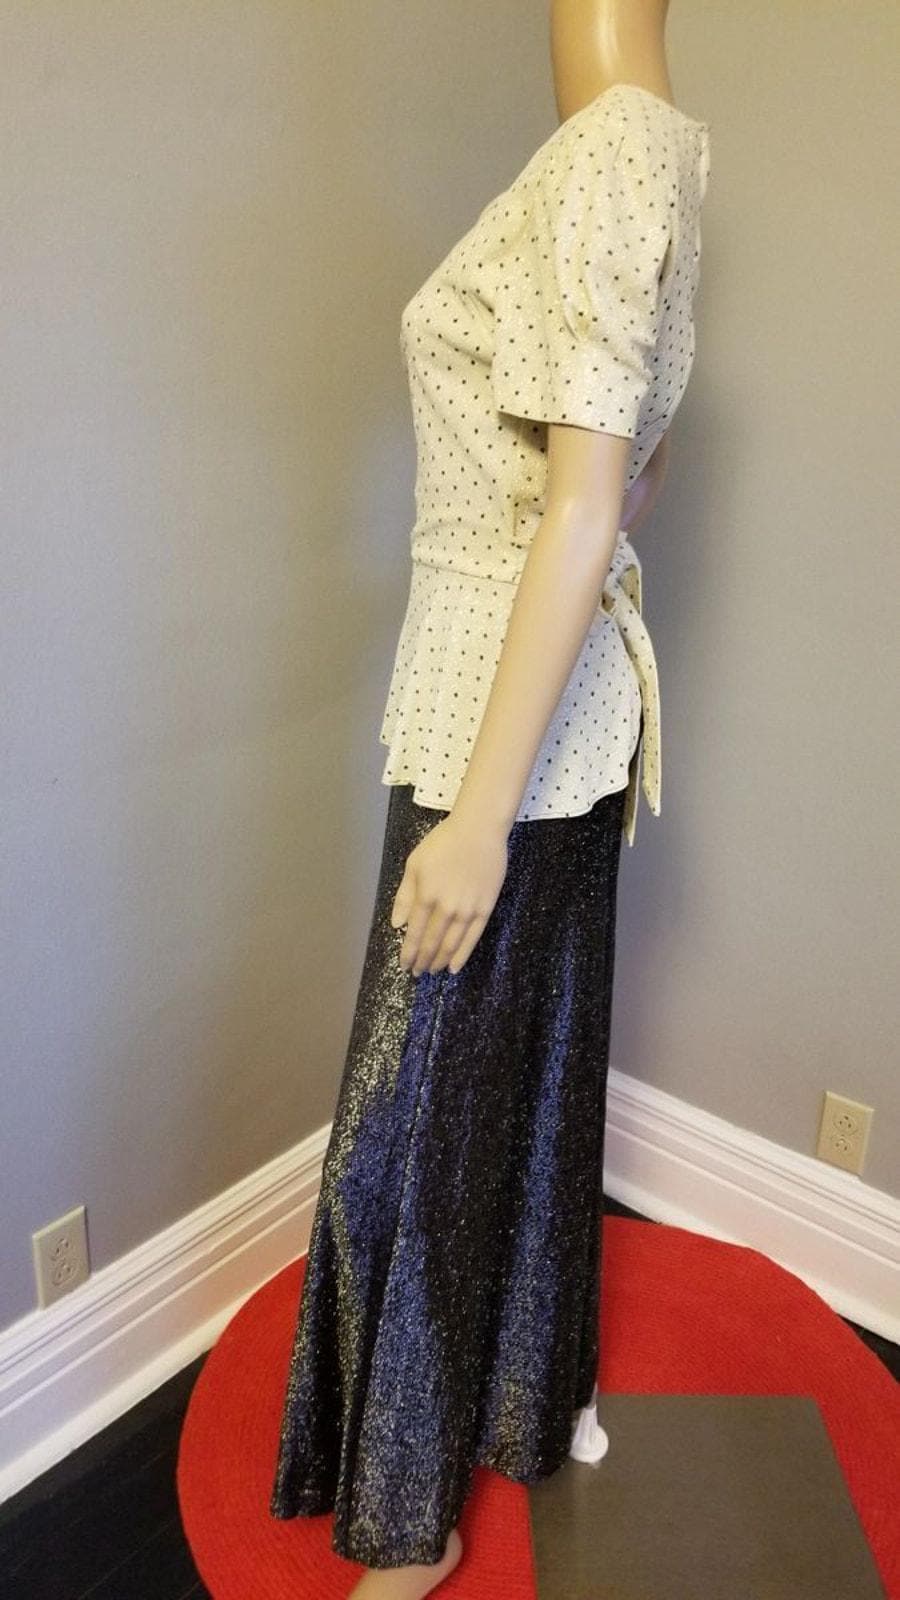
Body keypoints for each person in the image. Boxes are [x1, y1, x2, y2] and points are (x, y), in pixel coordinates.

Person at [269, 1, 711, 1594]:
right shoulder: (664, 149)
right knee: (523, 1078)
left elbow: (589, 509)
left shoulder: (611, 154)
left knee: (411, 1120)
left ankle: (409, 1516)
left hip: (502, 726)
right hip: (556, 698)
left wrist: (476, 814)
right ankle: (527, 1399)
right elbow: (629, 474)